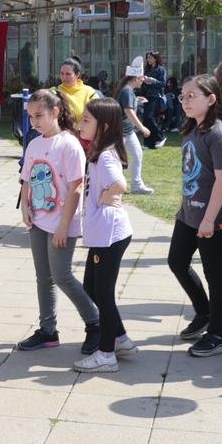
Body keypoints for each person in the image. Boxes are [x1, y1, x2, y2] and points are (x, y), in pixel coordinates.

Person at [15, 88, 99, 352]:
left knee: (62, 276)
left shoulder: (69, 144)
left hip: (63, 223)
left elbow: (76, 187)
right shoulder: (34, 143)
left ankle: (96, 324)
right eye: (30, 117)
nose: (34, 121)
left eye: (38, 115)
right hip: (38, 221)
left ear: (56, 112)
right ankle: (48, 331)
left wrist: (64, 225)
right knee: (43, 278)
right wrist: (25, 208)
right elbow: (26, 179)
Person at [170, 76, 222, 357]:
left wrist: (209, 220)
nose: (185, 101)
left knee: (215, 274)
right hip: (189, 212)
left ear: (211, 99)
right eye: (182, 97)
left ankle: (217, 334)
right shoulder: (191, 128)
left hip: (213, 216)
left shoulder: (220, 134)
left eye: (191, 96)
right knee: (176, 261)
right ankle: (204, 311)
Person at [73, 98, 136, 371]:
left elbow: (121, 184)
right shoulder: (99, 151)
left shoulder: (106, 154)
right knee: (91, 288)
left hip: (110, 235)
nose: (80, 125)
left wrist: (104, 196)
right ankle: (120, 338)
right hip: (104, 235)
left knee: (104, 294)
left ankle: (106, 353)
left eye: (86, 120)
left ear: (105, 126)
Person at [113, 58, 153, 194]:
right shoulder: (127, 91)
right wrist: (142, 127)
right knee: (117, 159)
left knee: (137, 155)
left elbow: (127, 105)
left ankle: (136, 185)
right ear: (136, 78)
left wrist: (137, 100)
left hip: (127, 132)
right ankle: (116, 185)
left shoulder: (127, 91)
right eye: (142, 78)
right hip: (121, 132)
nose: (143, 80)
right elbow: (128, 111)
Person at [55, 56, 99, 123]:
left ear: (77, 74)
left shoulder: (89, 92)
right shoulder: (54, 92)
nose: (64, 77)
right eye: (62, 74)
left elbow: (98, 115)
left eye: (68, 74)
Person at [138, 51, 168, 147]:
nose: (148, 59)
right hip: (146, 96)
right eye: (147, 58)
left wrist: (153, 81)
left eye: (150, 57)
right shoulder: (147, 70)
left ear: (155, 58)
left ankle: (160, 136)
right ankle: (148, 143)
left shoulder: (161, 70)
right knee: (146, 119)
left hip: (155, 96)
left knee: (149, 117)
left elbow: (163, 84)